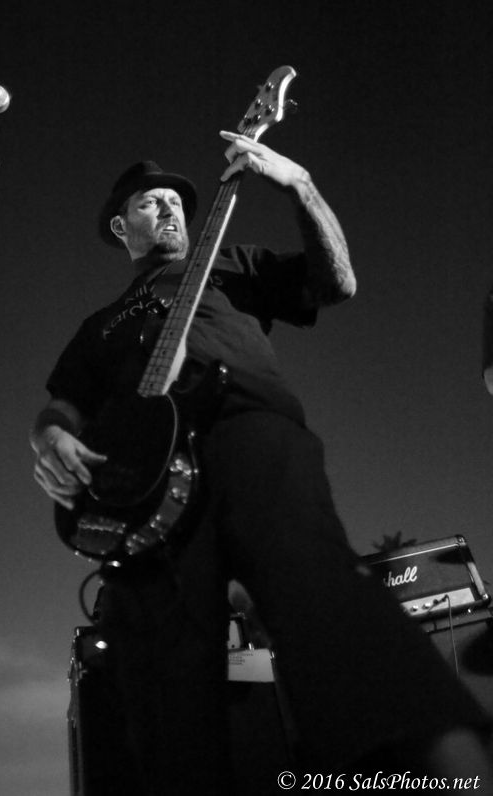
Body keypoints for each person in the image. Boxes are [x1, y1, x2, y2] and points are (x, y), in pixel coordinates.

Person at [31, 132, 492, 794]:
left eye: (175, 201)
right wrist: (50, 436)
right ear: (120, 225)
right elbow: (62, 405)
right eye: (150, 202)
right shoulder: (98, 326)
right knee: (161, 684)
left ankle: (452, 771)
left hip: (247, 431)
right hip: (145, 494)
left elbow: (336, 284)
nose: (169, 208)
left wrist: (300, 185)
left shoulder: (228, 263)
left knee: (317, 588)